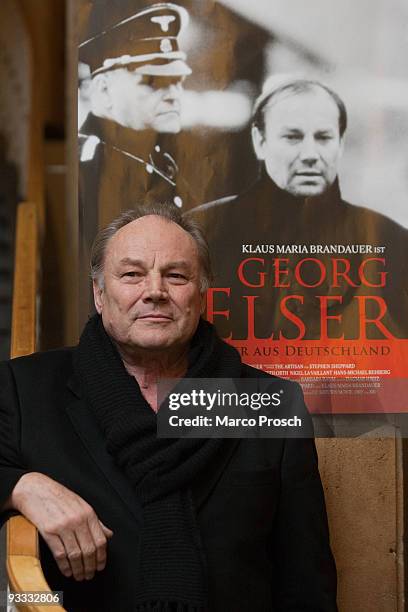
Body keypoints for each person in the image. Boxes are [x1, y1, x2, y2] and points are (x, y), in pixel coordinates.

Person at [0, 205, 337, 611]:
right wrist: (21, 487)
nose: (155, 290)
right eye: (132, 274)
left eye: (176, 275)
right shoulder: (24, 388)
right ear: (99, 293)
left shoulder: (271, 403)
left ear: (201, 294)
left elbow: (305, 581)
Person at [190, 75, 408, 342]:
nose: (310, 154)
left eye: (324, 137)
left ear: (340, 144)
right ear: (260, 142)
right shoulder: (200, 232)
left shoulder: (391, 240)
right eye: (293, 137)